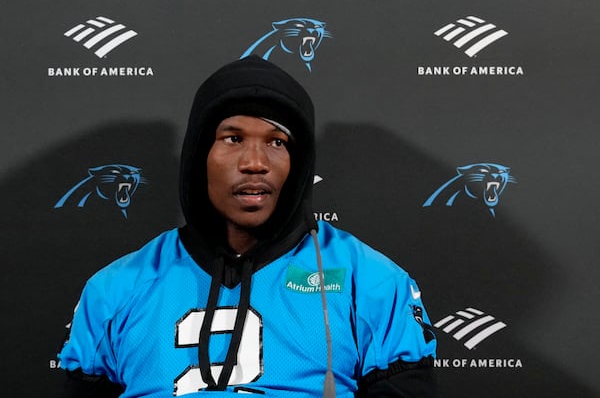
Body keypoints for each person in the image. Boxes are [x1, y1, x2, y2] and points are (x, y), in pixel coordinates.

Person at [57, 55, 437, 397]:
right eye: (233, 138)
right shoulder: (116, 288)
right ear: (199, 155)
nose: (255, 162)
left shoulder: (368, 281)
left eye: (277, 142)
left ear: (299, 163)